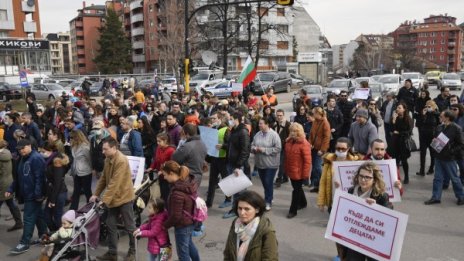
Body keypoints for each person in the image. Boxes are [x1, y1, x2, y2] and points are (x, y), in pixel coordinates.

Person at [91, 137, 137, 261]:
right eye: (102, 149)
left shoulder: (121, 161)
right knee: (110, 224)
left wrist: (104, 200)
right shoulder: (108, 159)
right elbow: (104, 179)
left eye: (105, 149)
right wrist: (96, 194)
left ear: (114, 148)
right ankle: (112, 253)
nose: (103, 152)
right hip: (113, 198)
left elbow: (114, 183)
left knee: (129, 226)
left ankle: (133, 251)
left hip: (124, 197)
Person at [340, 162, 391, 261]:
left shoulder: (381, 196)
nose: (363, 180)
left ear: (374, 179)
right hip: (354, 238)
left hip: (373, 241)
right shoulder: (351, 191)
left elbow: (389, 215)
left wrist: (376, 207)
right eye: (361, 176)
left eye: (367, 177)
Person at [6, 139, 48, 255]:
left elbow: (40, 178)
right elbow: (19, 177)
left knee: (28, 218)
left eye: (23, 148)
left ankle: (24, 243)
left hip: (33, 195)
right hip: (29, 193)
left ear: (29, 146)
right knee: (38, 215)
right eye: (19, 149)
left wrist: (38, 194)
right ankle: (44, 236)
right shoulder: (23, 158)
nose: (20, 151)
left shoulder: (36, 158)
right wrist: (11, 189)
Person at [161, 161, 200, 261]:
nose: (164, 178)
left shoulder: (177, 192)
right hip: (190, 220)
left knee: (183, 254)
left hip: (182, 225)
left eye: (165, 175)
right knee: (189, 245)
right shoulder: (187, 182)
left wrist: (164, 225)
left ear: (171, 173)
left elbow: (176, 216)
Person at [223, 190, 278, 261]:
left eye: (247, 209)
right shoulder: (236, 223)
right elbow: (228, 252)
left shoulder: (266, 230)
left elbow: (270, 258)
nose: (242, 213)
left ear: (257, 210)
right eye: (240, 208)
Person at [424, 110, 464, 206]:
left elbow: (461, 144)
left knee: (454, 178)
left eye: (441, 116)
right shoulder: (439, 127)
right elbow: (436, 139)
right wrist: (434, 142)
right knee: (437, 178)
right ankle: (436, 197)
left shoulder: (456, 128)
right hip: (439, 157)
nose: (439, 117)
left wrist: (451, 151)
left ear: (447, 117)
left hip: (449, 158)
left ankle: (461, 197)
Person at [318, 137, 360, 213]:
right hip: (333, 199)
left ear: (348, 148)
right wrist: (321, 202)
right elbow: (323, 182)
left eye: (343, 149)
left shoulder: (355, 162)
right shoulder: (328, 161)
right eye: (338, 148)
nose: (340, 150)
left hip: (349, 201)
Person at [223, 112, 251, 219]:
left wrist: (239, 166)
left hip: (238, 165)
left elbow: (245, 150)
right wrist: (223, 146)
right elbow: (232, 146)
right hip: (231, 163)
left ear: (237, 119)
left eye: (231, 119)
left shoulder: (243, 132)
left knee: (239, 191)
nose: (229, 121)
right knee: (235, 189)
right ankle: (237, 209)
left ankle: (237, 210)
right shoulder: (234, 131)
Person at [251, 118, 281, 210]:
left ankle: (268, 201)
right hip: (260, 163)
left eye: (261, 123)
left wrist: (264, 150)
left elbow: (278, 148)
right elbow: (252, 144)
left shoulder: (274, 135)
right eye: (259, 123)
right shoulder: (257, 134)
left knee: (268, 182)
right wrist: (254, 149)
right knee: (265, 182)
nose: (259, 125)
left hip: (271, 164)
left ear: (267, 124)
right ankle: (270, 197)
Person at [285, 123, 311, 219]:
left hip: (299, 172)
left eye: (295, 131)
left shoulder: (304, 144)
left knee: (295, 190)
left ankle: (293, 210)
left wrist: (305, 175)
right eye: (291, 131)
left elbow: (307, 161)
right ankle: (303, 203)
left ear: (299, 132)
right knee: (297, 188)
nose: (293, 133)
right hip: (291, 170)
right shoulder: (289, 141)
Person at [41, 142, 69, 232]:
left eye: (44, 151)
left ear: (50, 151)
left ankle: (62, 237)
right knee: (47, 216)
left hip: (58, 194)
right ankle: (55, 234)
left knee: (57, 217)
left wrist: (52, 200)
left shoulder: (57, 162)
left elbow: (57, 183)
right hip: (54, 193)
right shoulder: (50, 160)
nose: (42, 153)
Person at [206, 113, 231, 208]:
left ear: (220, 119)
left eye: (214, 118)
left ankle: (228, 199)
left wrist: (223, 146)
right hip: (214, 158)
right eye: (212, 118)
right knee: (212, 181)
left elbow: (230, 145)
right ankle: (209, 202)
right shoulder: (213, 129)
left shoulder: (226, 130)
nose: (212, 120)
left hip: (223, 159)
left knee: (226, 180)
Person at [0, 140, 22, 232]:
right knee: (10, 202)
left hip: (2, 183)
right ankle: (18, 222)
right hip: (8, 181)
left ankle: (19, 222)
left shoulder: (1, 157)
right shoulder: (7, 153)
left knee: (9, 202)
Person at [147, 133, 176, 203]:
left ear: (165, 141)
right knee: (162, 193)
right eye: (157, 141)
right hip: (160, 175)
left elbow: (172, 164)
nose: (157, 143)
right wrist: (151, 167)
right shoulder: (158, 148)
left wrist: (163, 170)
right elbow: (156, 159)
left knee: (167, 194)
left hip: (167, 176)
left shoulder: (171, 150)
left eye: (159, 141)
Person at [308, 107, 331, 193]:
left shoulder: (325, 123)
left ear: (318, 113)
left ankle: (325, 185)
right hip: (313, 148)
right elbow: (311, 134)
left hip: (320, 150)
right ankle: (317, 186)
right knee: (314, 168)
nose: (313, 115)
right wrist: (309, 143)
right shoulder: (315, 121)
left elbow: (327, 137)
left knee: (317, 167)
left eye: (314, 113)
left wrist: (323, 149)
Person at [69, 130, 93, 210]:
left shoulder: (85, 147)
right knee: (76, 191)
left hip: (86, 172)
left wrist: (92, 169)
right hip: (76, 172)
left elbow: (90, 159)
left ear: (77, 137)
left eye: (72, 137)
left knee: (87, 192)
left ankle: (91, 207)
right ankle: (73, 209)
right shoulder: (74, 146)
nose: (71, 139)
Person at [391, 102, 413, 184]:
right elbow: (392, 129)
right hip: (396, 141)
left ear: (404, 109)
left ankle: (406, 176)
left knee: (404, 160)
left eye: (399, 108)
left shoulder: (408, 119)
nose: (397, 109)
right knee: (395, 160)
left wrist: (399, 133)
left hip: (404, 141)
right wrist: (393, 120)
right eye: (397, 108)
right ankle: (396, 177)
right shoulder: (395, 117)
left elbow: (409, 131)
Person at [416, 100, 440, 176]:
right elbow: (419, 123)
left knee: (433, 154)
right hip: (423, 135)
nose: (427, 108)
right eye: (426, 106)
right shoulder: (424, 113)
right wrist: (422, 115)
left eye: (429, 106)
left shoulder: (436, 114)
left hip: (433, 136)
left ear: (433, 107)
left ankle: (431, 168)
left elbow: (439, 124)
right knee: (422, 153)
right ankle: (422, 170)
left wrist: (432, 112)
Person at [274, 109, 291, 187]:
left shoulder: (288, 124)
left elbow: (290, 136)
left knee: (281, 163)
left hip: (285, 147)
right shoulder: (275, 123)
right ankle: (285, 177)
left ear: (283, 115)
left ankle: (279, 179)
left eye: (280, 115)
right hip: (277, 146)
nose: (279, 117)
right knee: (282, 163)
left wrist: (285, 141)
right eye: (278, 115)